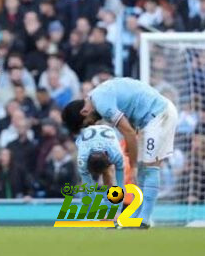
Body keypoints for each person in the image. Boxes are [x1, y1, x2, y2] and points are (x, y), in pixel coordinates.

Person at [62, 77, 178, 228]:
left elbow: (128, 132)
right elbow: (128, 120)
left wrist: (133, 165)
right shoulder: (96, 96)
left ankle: (144, 220)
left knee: (148, 168)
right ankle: (138, 216)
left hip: (159, 115)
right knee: (145, 171)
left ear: (84, 111)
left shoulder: (102, 104)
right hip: (148, 121)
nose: (94, 124)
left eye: (88, 123)